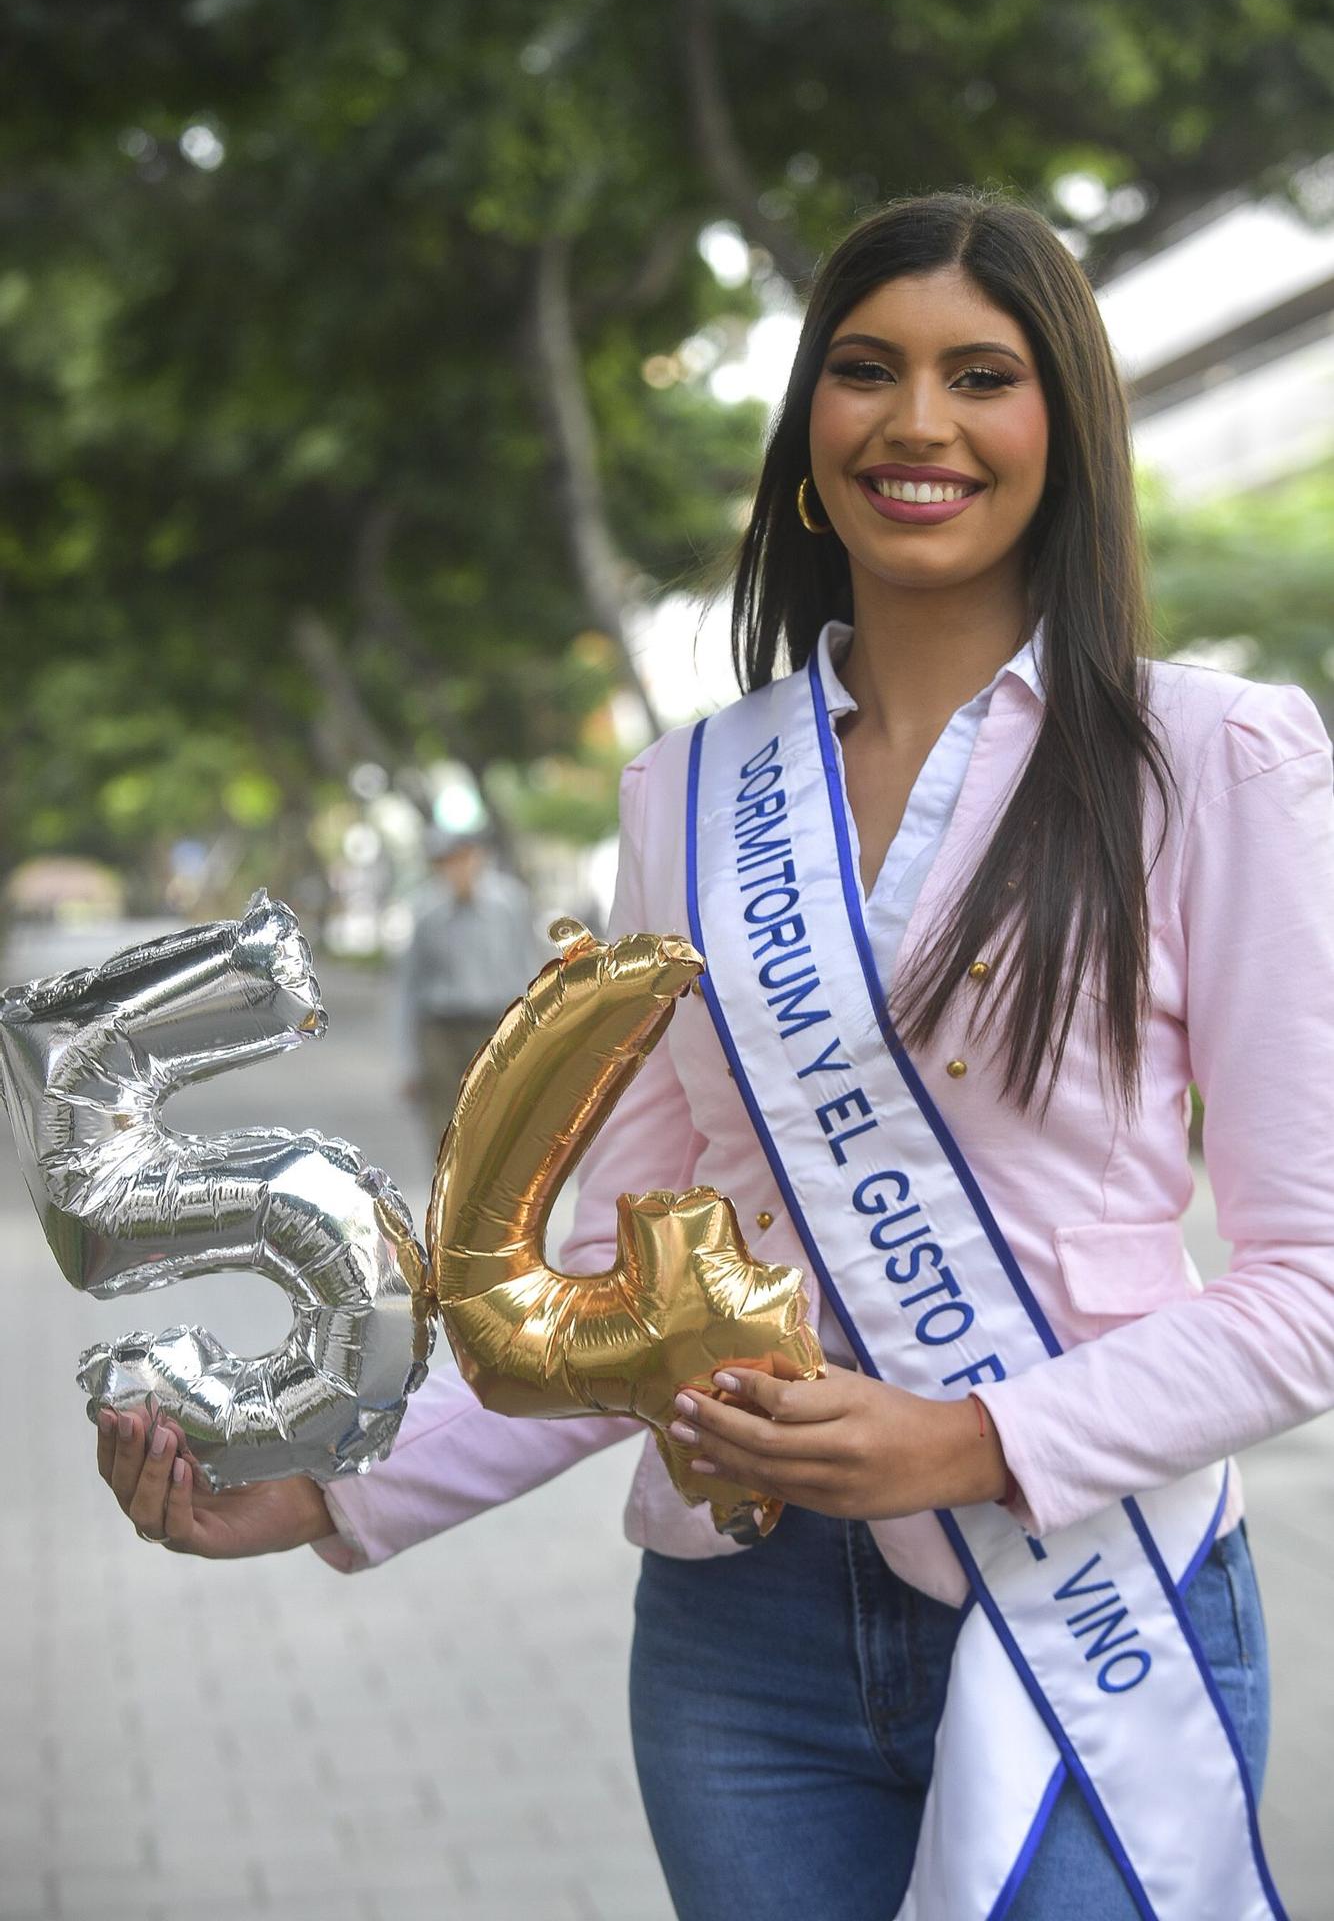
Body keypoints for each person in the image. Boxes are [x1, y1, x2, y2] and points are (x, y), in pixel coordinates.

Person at [95, 190, 1334, 1920]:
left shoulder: (1209, 759)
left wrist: (965, 1439)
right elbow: (610, 1270)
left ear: (1062, 426)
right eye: (862, 371)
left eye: (980, 374)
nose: (916, 421)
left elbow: (1306, 1286)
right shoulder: (688, 795)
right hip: (739, 1637)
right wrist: (321, 1488)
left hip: (1084, 1582)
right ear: (805, 437)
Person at [396, 828, 539, 1150]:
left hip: (494, 1024)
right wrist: (408, 1062)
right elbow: (408, 987)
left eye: (465, 858)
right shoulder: (427, 911)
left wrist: (533, 1037)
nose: (459, 869)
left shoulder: (509, 904)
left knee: (496, 1120)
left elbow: (527, 967)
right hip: (440, 1029)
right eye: (449, 861)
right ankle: (447, 1196)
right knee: (444, 1127)